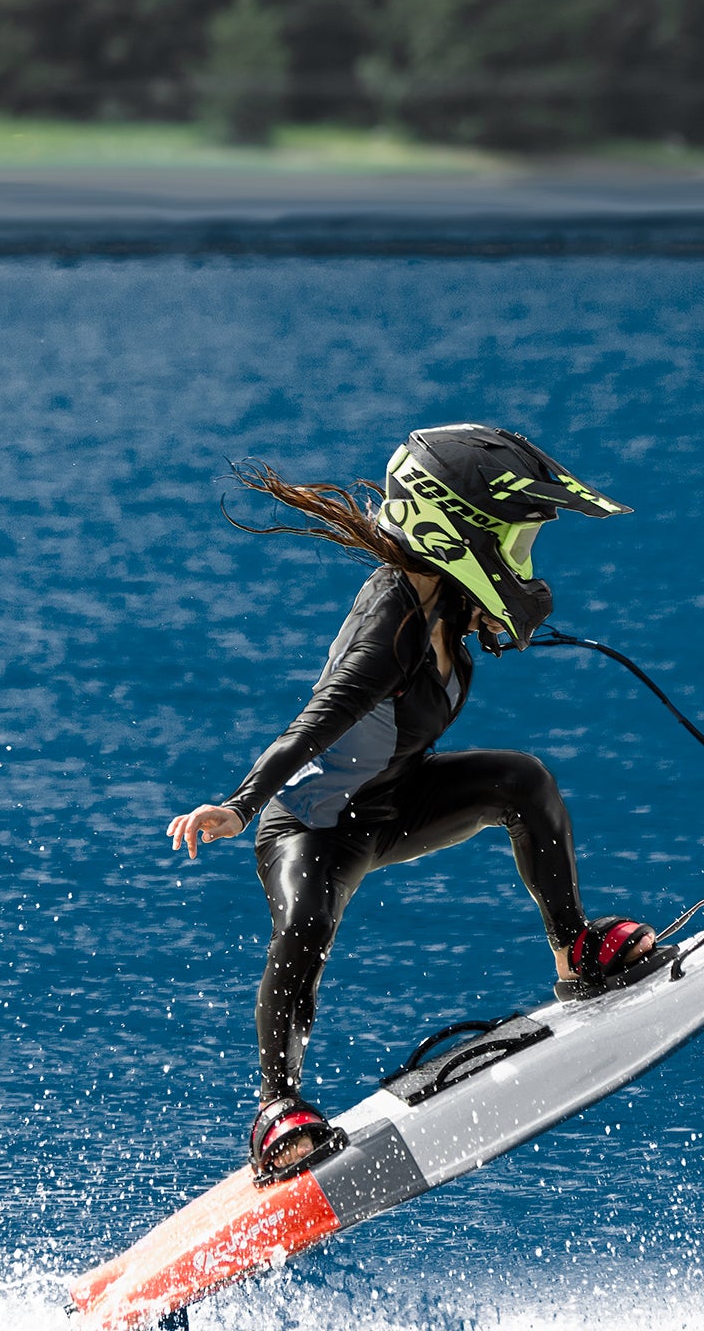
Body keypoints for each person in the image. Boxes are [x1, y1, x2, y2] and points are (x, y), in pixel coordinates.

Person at [164, 424, 671, 1183]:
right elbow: (313, 726)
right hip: (315, 826)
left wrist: (485, 615)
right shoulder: (389, 630)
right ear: (458, 534)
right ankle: (276, 1108)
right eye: (517, 542)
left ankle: (577, 957)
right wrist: (240, 807)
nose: (524, 565)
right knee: (306, 920)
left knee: (522, 781)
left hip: (393, 804)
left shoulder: (447, 608)